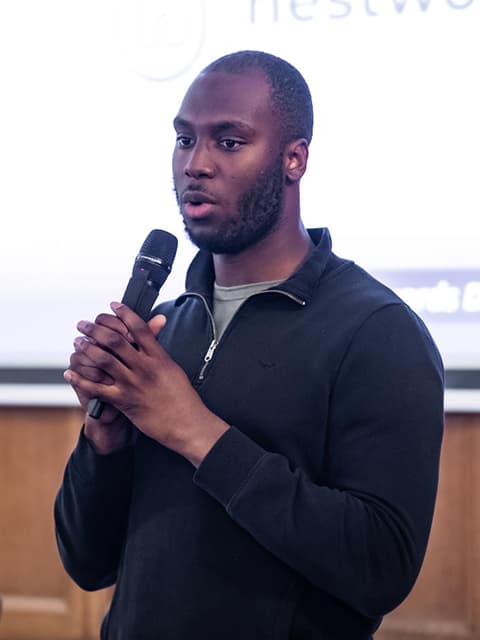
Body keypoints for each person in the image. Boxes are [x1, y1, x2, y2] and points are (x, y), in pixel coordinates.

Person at [55, 50, 444, 639]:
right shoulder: (166, 326)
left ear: (294, 158)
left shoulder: (377, 331)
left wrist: (196, 432)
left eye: (229, 142)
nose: (195, 165)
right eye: (184, 140)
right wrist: (102, 445)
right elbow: (86, 563)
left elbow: (380, 567)